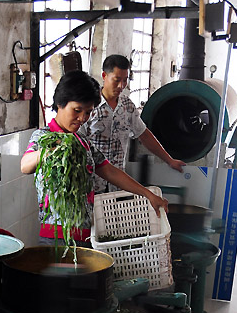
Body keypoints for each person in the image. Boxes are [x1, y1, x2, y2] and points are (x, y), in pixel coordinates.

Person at [21, 69, 168, 247]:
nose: (82, 118)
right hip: (55, 238)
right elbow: (25, 165)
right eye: (77, 110)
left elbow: (110, 171)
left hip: (86, 235)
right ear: (60, 104)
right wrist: (49, 150)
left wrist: (148, 194)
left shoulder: (82, 142)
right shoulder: (44, 137)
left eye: (88, 112)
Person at [79, 54, 186, 193]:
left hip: (117, 186)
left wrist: (169, 160)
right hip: (91, 185)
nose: (121, 86)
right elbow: (78, 143)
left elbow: (144, 134)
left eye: (125, 80)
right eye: (117, 80)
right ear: (104, 75)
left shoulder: (127, 106)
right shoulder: (89, 106)